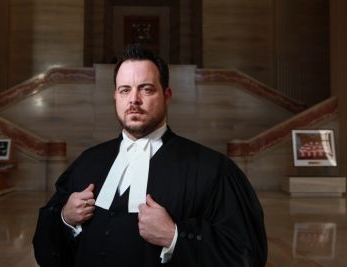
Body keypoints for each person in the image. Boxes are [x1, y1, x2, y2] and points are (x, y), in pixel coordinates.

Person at [33, 45, 267, 267]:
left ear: (167, 95)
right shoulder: (88, 161)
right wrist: (65, 217)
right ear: (115, 96)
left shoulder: (213, 170)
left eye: (146, 89)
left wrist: (175, 237)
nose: (134, 99)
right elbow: (46, 241)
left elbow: (246, 253)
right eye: (125, 90)